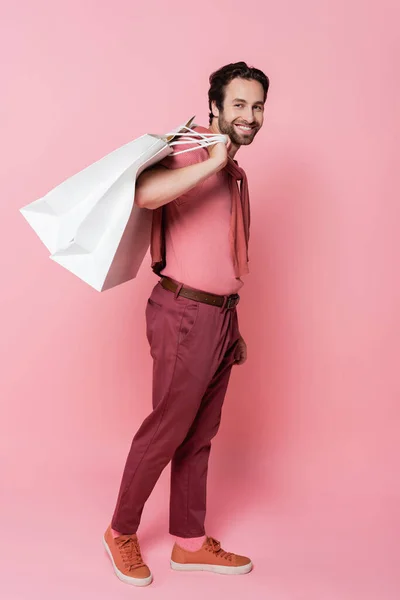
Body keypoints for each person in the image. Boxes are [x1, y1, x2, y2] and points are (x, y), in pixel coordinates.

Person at [103, 61, 269, 586]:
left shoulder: (232, 170)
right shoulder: (191, 146)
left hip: (219, 319)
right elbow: (146, 193)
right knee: (167, 429)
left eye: (257, 105)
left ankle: (190, 542)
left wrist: (232, 327)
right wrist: (212, 159)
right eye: (238, 104)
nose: (249, 115)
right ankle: (120, 532)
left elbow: (215, 252)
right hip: (183, 314)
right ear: (215, 106)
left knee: (200, 434)